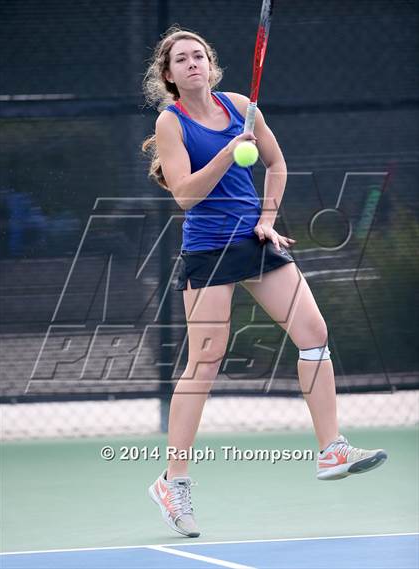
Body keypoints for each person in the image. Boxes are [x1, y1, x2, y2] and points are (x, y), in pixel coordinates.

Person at [141, 26, 387, 539]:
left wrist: (268, 218)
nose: (192, 64)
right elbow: (185, 195)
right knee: (205, 360)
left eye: (199, 56)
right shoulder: (171, 123)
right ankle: (174, 481)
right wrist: (230, 152)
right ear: (168, 75)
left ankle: (331, 449)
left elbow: (276, 164)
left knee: (313, 333)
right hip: (208, 249)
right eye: (181, 59)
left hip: (255, 240)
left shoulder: (240, 107)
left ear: (211, 66)